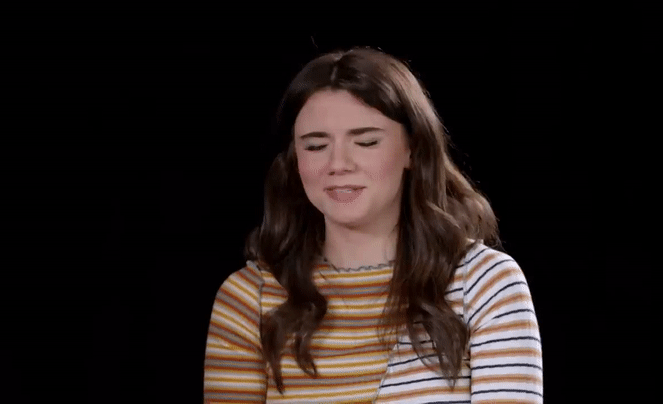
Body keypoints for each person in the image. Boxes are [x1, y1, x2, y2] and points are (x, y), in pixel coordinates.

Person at [203, 47, 543, 403]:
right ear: (294, 159)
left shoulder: (484, 284)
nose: (338, 164)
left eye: (366, 142)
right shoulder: (249, 299)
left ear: (413, 148)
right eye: (315, 146)